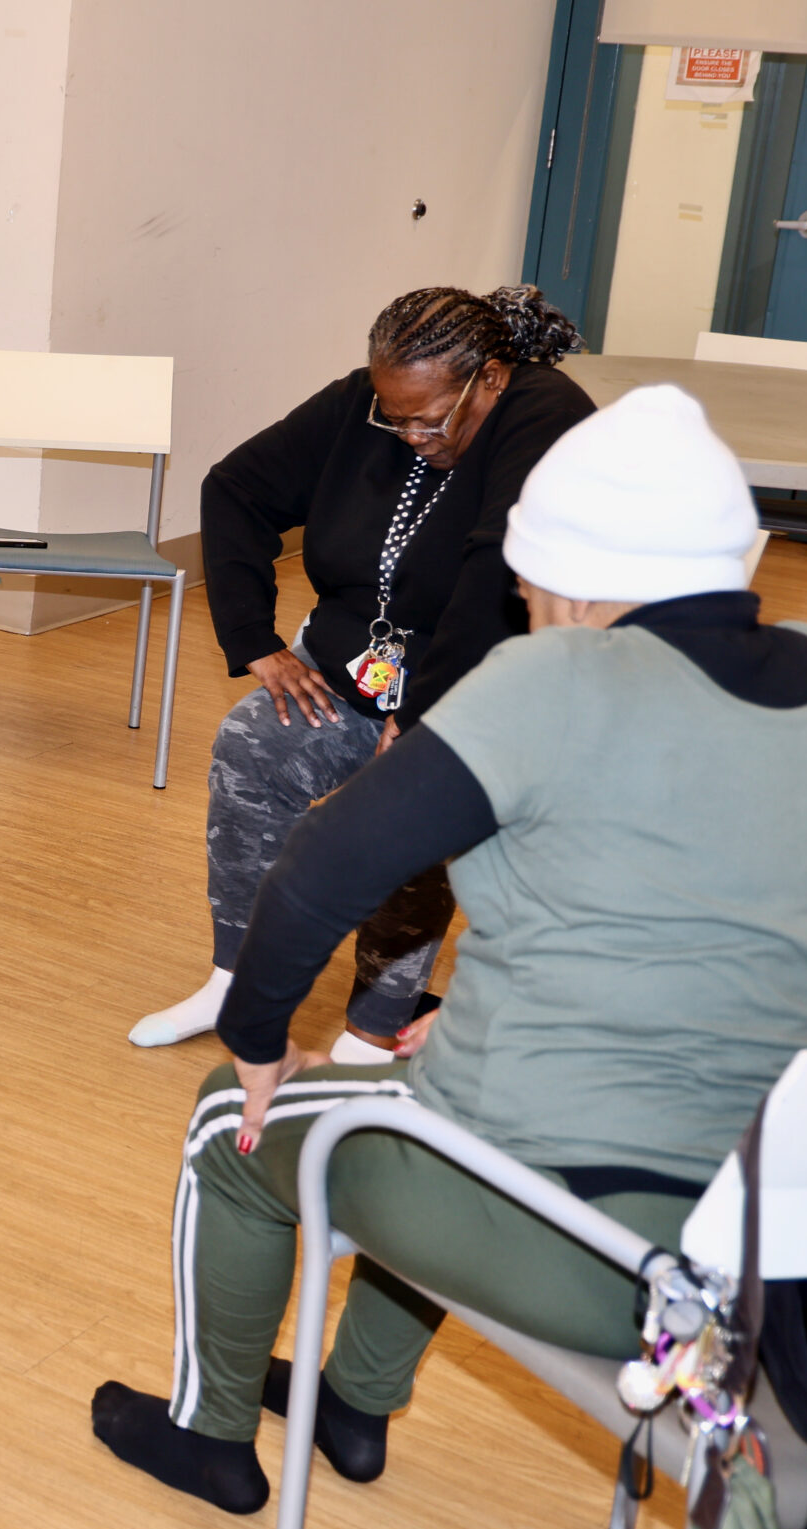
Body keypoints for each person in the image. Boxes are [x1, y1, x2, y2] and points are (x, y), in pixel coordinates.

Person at [90, 385, 807, 1514]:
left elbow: (316, 873)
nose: (516, 595)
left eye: (525, 572)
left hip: (589, 1249)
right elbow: (718, 898)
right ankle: (356, 1407)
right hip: (778, 1229)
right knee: (422, 1080)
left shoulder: (550, 677)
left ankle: (207, 1434)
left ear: (576, 569)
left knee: (235, 1123)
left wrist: (259, 1040)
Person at [129, 286, 595, 1053]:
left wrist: (419, 724)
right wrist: (254, 637)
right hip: (362, 660)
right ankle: (234, 979)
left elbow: (492, 577)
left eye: (429, 417)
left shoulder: (543, 414)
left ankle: (373, 1027)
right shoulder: (370, 401)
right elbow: (235, 487)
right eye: (394, 415)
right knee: (252, 746)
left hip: (487, 677)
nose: (409, 432)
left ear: (491, 377)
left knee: (420, 806)